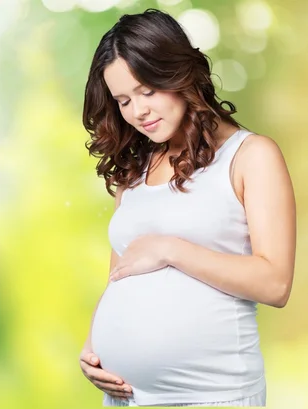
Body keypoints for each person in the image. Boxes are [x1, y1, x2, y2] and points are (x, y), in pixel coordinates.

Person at [78, 8, 296, 407]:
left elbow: (275, 283)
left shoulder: (250, 156)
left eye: (147, 90)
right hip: (126, 398)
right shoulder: (134, 170)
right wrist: (93, 346)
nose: (137, 111)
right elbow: (120, 275)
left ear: (179, 73)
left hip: (214, 395)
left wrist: (171, 249)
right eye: (123, 100)